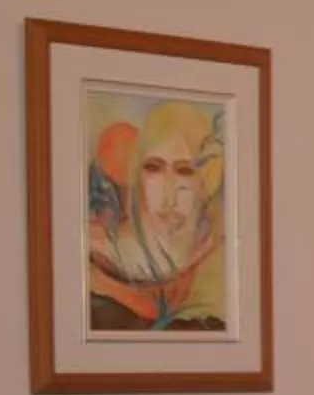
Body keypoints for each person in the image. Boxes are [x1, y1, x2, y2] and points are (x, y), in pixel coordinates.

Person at [86, 98, 225, 330]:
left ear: (206, 182)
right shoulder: (98, 251)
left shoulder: (216, 261)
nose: (168, 193)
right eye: (153, 168)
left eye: (184, 171)